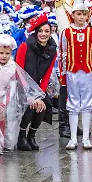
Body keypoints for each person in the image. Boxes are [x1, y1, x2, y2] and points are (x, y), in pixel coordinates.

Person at [58, 0, 92, 150]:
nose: (81, 17)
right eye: (78, 14)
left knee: (87, 104)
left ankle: (86, 138)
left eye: (84, 14)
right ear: (72, 15)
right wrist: (62, 75)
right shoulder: (66, 33)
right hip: (72, 72)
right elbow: (62, 54)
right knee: (73, 103)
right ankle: (73, 138)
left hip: (87, 71)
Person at [15, 13, 56, 151]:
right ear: (36, 32)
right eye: (40, 31)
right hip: (21, 85)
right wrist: (31, 95)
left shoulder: (52, 51)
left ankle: (32, 135)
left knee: (44, 104)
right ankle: (21, 136)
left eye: (47, 31)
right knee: (30, 105)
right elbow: (19, 72)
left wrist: (39, 94)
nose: (43, 34)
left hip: (37, 86)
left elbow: (47, 75)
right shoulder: (24, 47)